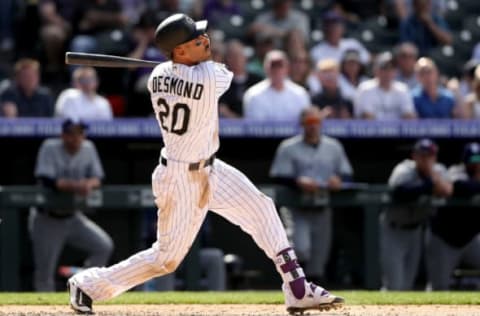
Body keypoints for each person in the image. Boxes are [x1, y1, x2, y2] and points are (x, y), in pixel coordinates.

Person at [67, 13, 344, 315]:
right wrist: (184, 65)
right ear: (181, 51)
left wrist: (176, 63)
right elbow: (219, 72)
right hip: (180, 177)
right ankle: (86, 284)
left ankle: (297, 287)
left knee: (261, 208)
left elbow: (176, 69)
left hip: (210, 167)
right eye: (197, 39)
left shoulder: (157, 76)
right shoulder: (211, 76)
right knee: (165, 259)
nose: (206, 40)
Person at [270, 106, 353, 284]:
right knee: (300, 249)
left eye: (316, 122)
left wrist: (338, 180)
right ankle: (294, 285)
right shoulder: (288, 147)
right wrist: (297, 181)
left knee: (319, 257)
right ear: (302, 124)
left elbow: (347, 174)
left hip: (322, 207)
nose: (313, 126)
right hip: (297, 206)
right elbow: (278, 176)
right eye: (309, 122)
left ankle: (312, 293)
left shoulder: (333, 146)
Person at [30, 118, 114, 291]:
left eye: (80, 133)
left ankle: (82, 285)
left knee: (103, 246)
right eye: (72, 133)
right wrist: (78, 186)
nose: (76, 138)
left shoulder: (88, 148)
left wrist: (89, 184)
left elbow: (99, 178)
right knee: (44, 274)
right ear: (63, 135)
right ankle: (44, 309)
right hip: (47, 219)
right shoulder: (50, 147)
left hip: (73, 217)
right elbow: (47, 180)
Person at [381, 138, 452, 290]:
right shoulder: (404, 169)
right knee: (394, 284)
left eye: (430, 155)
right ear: (414, 156)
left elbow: (447, 191)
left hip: (416, 231)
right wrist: (429, 184)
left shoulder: (437, 170)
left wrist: (431, 178)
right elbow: (400, 191)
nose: (426, 159)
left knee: (407, 284)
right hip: (394, 230)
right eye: (422, 155)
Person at [426, 142, 480, 290]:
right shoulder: (455, 171)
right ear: (465, 161)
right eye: (473, 161)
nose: (477, 164)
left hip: (470, 239)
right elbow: (460, 188)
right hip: (445, 239)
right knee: (439, 288)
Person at [243, 50, 310, 121]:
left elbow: (305, 122)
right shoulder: (254, 95)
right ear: (265, 68)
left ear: (287, 68)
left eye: (280, 66)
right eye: (273, 66)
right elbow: (254, 126)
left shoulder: (300, 93)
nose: (277, 70)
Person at [354, 51, 417, 120]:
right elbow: (367, 117)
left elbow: (409, 116)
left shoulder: (402, 89)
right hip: (373, 130)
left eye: (391, 68)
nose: (388, 72)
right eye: (384, 68)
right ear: (375, 70)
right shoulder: (365, 89)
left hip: (398, 130)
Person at [218, 40, 262, 118]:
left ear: (245, 58)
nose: (237, 59)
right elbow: (222, 109)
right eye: (233, 56)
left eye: (240, 55)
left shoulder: (257, 81)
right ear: (226, 59)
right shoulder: (221, 83)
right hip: (229, 128)